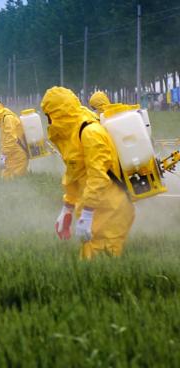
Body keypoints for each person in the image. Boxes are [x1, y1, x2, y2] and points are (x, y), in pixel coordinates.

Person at [40, 87, 135, 260]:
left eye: (48, 115)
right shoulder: (73, 133)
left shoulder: (90, 132)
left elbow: (98, 176)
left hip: (111, 210)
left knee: (102, 266)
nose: (47, 120)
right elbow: (75, 172)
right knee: (89, 262)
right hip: (97, 208)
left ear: (58, 113)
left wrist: (87, 213)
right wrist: (67, 208)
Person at [0, 98, 29, 179]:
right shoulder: (1, 118)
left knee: (15, 180)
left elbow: (11, 138)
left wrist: (3, 154)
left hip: (19, 154)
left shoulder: (7, 118)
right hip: (12, 153)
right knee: (6, 179)